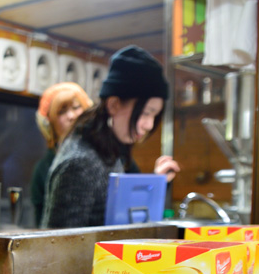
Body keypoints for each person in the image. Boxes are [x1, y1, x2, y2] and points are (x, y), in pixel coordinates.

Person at [41, 45, 181, 228]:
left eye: (155, 115)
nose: (149, 125)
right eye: (146, 113)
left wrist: (158, 183)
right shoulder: (80, 163)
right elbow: (59, 246)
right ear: (114, 105)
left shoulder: (108, 150)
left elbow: (122, 216)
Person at [29, 82, 92, 225]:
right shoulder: (43, 170)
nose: (71, 116)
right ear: (49, 122)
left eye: (76, 107)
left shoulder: (109, 156)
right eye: (62, 112)